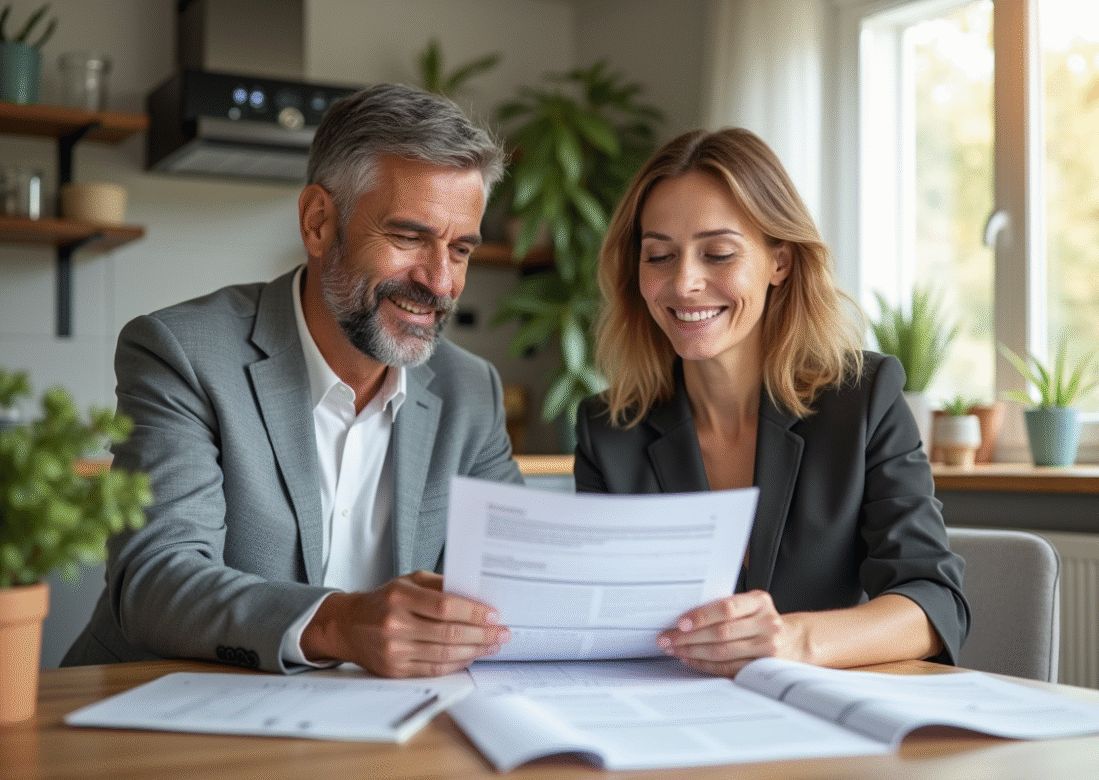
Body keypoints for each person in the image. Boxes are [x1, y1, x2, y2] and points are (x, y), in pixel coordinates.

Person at [63, 83, 520, 677]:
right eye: (409, 236)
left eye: (460, 249)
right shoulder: (181, 353)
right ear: (319, 222)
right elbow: (155, 582)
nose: (439, 281)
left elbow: (517, 576)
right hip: (161, 722)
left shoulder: (471, 390)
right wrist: (340, 624)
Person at [574, 127, 970, 677]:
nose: (684, 282)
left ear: (779, 262)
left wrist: (792, 640)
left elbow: (932, 604)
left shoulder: (862, 399)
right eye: (659, 255)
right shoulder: (608, 429)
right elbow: (594, 616)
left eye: (717, 253)